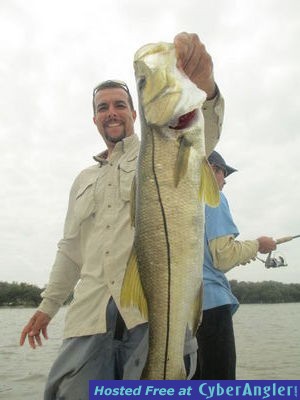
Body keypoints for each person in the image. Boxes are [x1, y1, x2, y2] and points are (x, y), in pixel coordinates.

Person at [19, 32, 224, 398]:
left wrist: (205, 87)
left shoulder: (159, 147)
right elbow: (70, 250)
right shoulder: (82, 179)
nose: (110, 112)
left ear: (134, 112)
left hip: (149, 316)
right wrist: (47, 308)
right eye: (102, 107)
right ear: (95, 119)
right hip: (89, 318)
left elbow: (202, 132)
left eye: (119, 104)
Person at [192, 150, 277, 380]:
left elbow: (209, 256)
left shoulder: (183, 204)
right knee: (220, 383)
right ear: (211, 169)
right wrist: (258, 244)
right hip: (211, 308)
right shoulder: (214, 197)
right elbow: (224, 256)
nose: (225, 181)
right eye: (223, 172)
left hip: (185, 311)